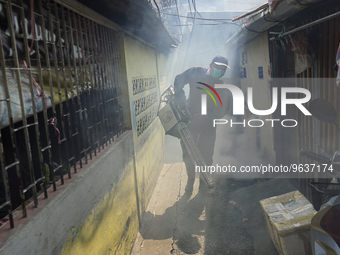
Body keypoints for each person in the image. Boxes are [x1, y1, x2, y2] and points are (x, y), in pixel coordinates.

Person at [174, 55, 232, 193]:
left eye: (223, 69)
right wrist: (181, 100)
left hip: (208, 126)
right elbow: (178, 80)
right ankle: (190, 181)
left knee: (206, 156)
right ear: (210, 65)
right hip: (189, 121)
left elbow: (223, 109)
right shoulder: (196, 72)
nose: (220, 71)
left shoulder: (222, 86)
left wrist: (206, 116)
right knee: (188, 153)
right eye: (218, 67)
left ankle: (203, 183)